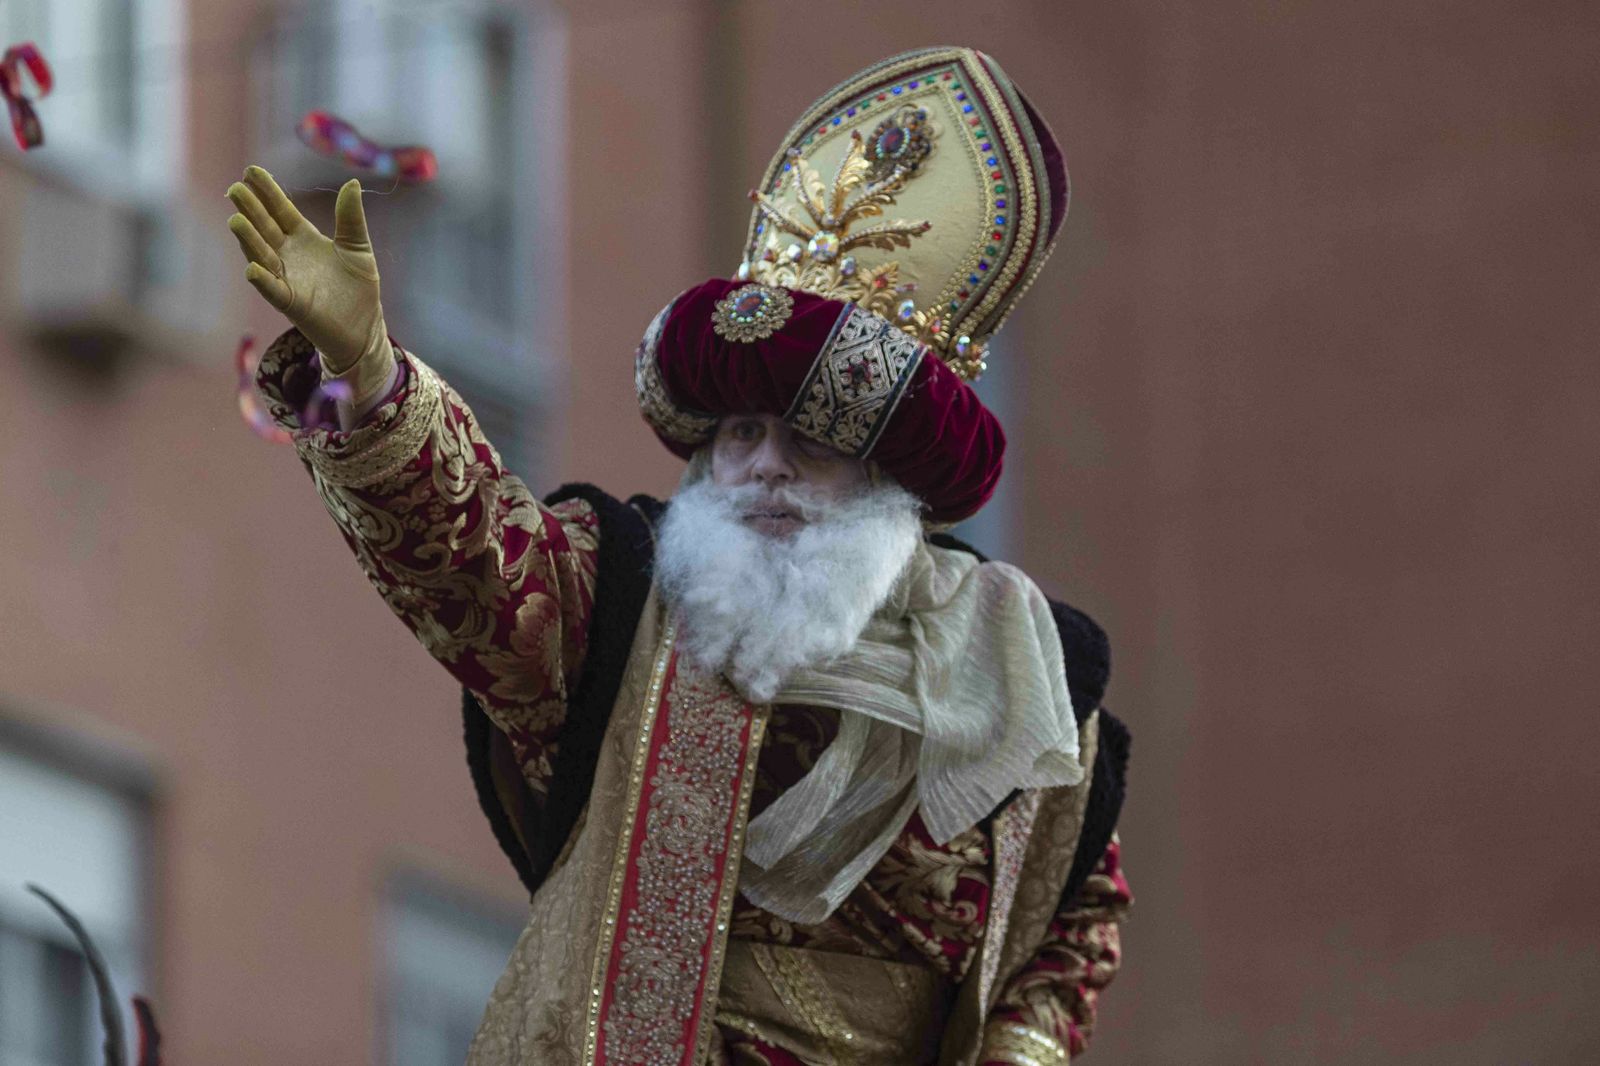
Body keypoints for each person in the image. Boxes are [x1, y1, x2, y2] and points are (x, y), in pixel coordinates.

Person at [226, 45, 1131, 1066]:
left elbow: (1072, 919)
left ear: (890, 480)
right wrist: (369, 372)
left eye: (810, 440)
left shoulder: (1025, 684)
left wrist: (1023, 1049)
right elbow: (469, 552)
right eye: (739, 434)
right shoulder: (619, 609)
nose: (763, 469)